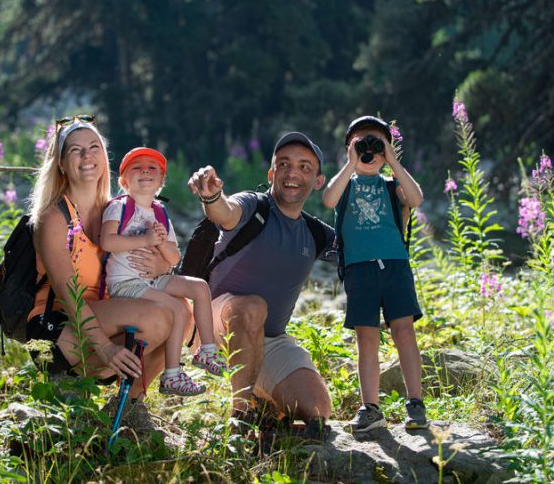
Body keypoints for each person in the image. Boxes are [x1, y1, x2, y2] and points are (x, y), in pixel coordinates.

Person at [27, 114, 182, 426]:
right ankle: (67, 381)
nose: (87, 157)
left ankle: (128, 410)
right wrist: (107, 348)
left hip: (104, 314)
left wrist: (160, 263)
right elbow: (68, 295)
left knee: (181, 312)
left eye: (93, 147)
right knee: (158, 316)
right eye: (75, 150)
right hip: (58, 329)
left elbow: (159, 265)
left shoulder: (116, 212)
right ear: (60, 163)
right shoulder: (53, 217)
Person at [186, 132, 336, 438]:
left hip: (268, 337)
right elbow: (224, 212)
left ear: (319, 181)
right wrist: (211, 196)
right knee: (253, 306)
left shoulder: (315, 233)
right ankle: (240, 415)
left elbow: (366, 252)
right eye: (284, 164)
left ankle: (265, 406)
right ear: (272, 173)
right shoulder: (253, 206)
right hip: (212, 322)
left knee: (318, 410)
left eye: (305, 167)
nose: (293, 173)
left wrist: (396, 207)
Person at [321, 115, 428, 432]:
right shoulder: (346, 185)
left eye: (376, 145)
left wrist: (392, 160)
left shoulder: (393, 185)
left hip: (395, 265)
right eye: (361, 143)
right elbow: (328, 199)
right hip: (359, 269)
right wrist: (351, 163)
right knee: (366, 339)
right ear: (350, 149)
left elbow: (417, 199)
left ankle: (416, 403)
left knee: (404, 332)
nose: (370, 150)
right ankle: (370, 407)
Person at [100, 147, 226, 397]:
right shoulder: (119, 207)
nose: (145, 170)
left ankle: (207, 350)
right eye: (137, 167)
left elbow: (174, 256)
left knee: (199, 287)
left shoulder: (159, 211)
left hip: (152, 279)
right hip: (126, 283)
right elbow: (107, 242)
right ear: (123, 181)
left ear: (160, 181)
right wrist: (145, 239)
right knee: (178, 309)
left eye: (152, 168)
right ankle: (172, 374)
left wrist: (158, 244)